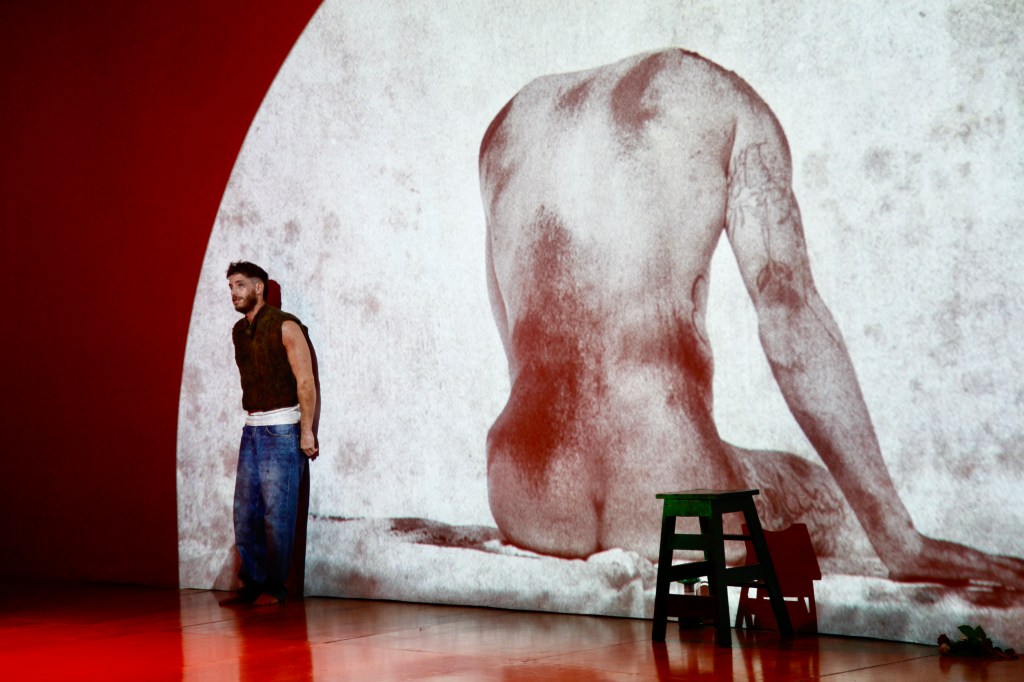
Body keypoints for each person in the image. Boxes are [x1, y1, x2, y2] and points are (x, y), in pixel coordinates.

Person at [479, 48, 1024, 587]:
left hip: (527, 498)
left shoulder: (509, 125)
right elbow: (788, 313)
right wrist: (898, 538)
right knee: (821, 493)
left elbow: (519, 356)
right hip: (676, 502)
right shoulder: (721, 99)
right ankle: (895, 553)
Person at [220, 261, 319, 606]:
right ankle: (253, 583)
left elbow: (305, 382)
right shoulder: (239, 331)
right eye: (231, 286)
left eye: (240, 285)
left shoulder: (286, 325)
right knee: (245, 513)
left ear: (259, 288)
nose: (234, 292)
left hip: (282, 429)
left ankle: (275, 587)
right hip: (252, 429)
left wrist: (306, 432)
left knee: (278, 515)